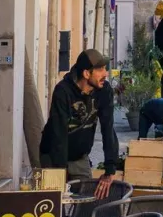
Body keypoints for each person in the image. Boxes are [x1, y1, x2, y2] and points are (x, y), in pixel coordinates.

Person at [40, 49, 120, 190]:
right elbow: (59, 135)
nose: (105, 74)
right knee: (55, 203)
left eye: (105, 69)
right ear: (86, 73)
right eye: (100, 70)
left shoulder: (104, 91)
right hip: (53, 156)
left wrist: (110, 169)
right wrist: (60, 173)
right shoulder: (63, 92)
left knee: (85, 201)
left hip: (79, 157)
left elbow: (108, 128)